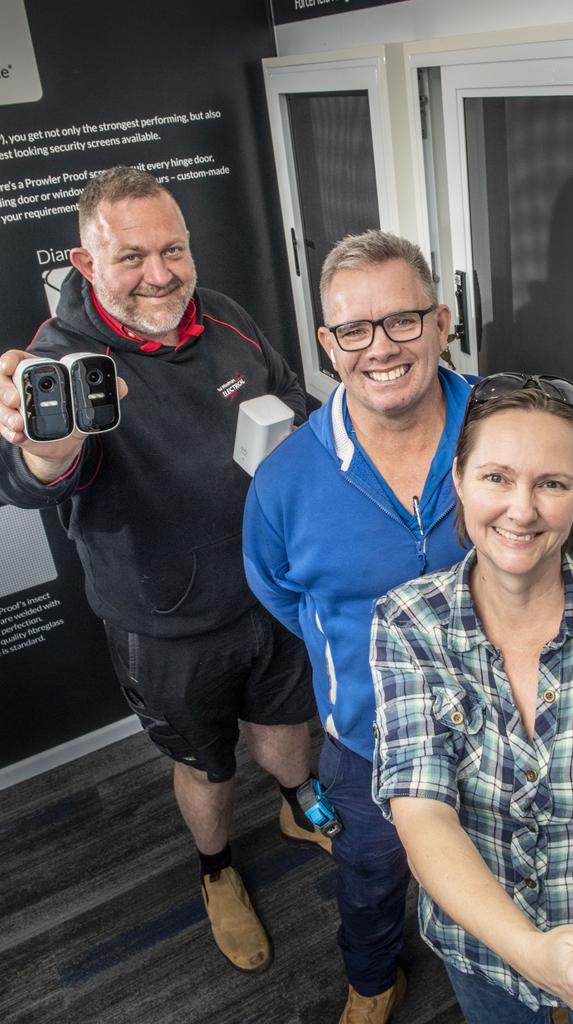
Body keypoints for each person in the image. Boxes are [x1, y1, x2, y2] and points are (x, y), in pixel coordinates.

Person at [243, 231, 573, 1022]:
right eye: (355, 330)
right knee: (369, 875)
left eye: (402, 321)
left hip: (519, 728)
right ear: (328, 345)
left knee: (527, 874)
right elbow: (282, 594)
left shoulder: (514, 430)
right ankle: (371, 981)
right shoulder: (286, 480)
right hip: (370, 744)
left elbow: (563, 542)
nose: (381, 348)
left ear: (441, 322)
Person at [0, 166, 329, 975]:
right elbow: (31, 479)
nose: (161, 274)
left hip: (271, 588)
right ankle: (217, 869)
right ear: (86, 265)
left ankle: (298, 806)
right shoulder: (60, 362)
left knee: (287, 726)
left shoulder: (223, 316)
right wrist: (45, 451)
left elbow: (291, 396)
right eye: (133, 257)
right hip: (166, 623)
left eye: (174, 249)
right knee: (204, 762)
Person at [370, 379, 573, 1024]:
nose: (521, 510)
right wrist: (532, 953)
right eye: (496, 477)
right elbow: (422, 811)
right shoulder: (407, 621)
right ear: (458, 480)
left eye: (551, 484)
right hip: (484, 947)